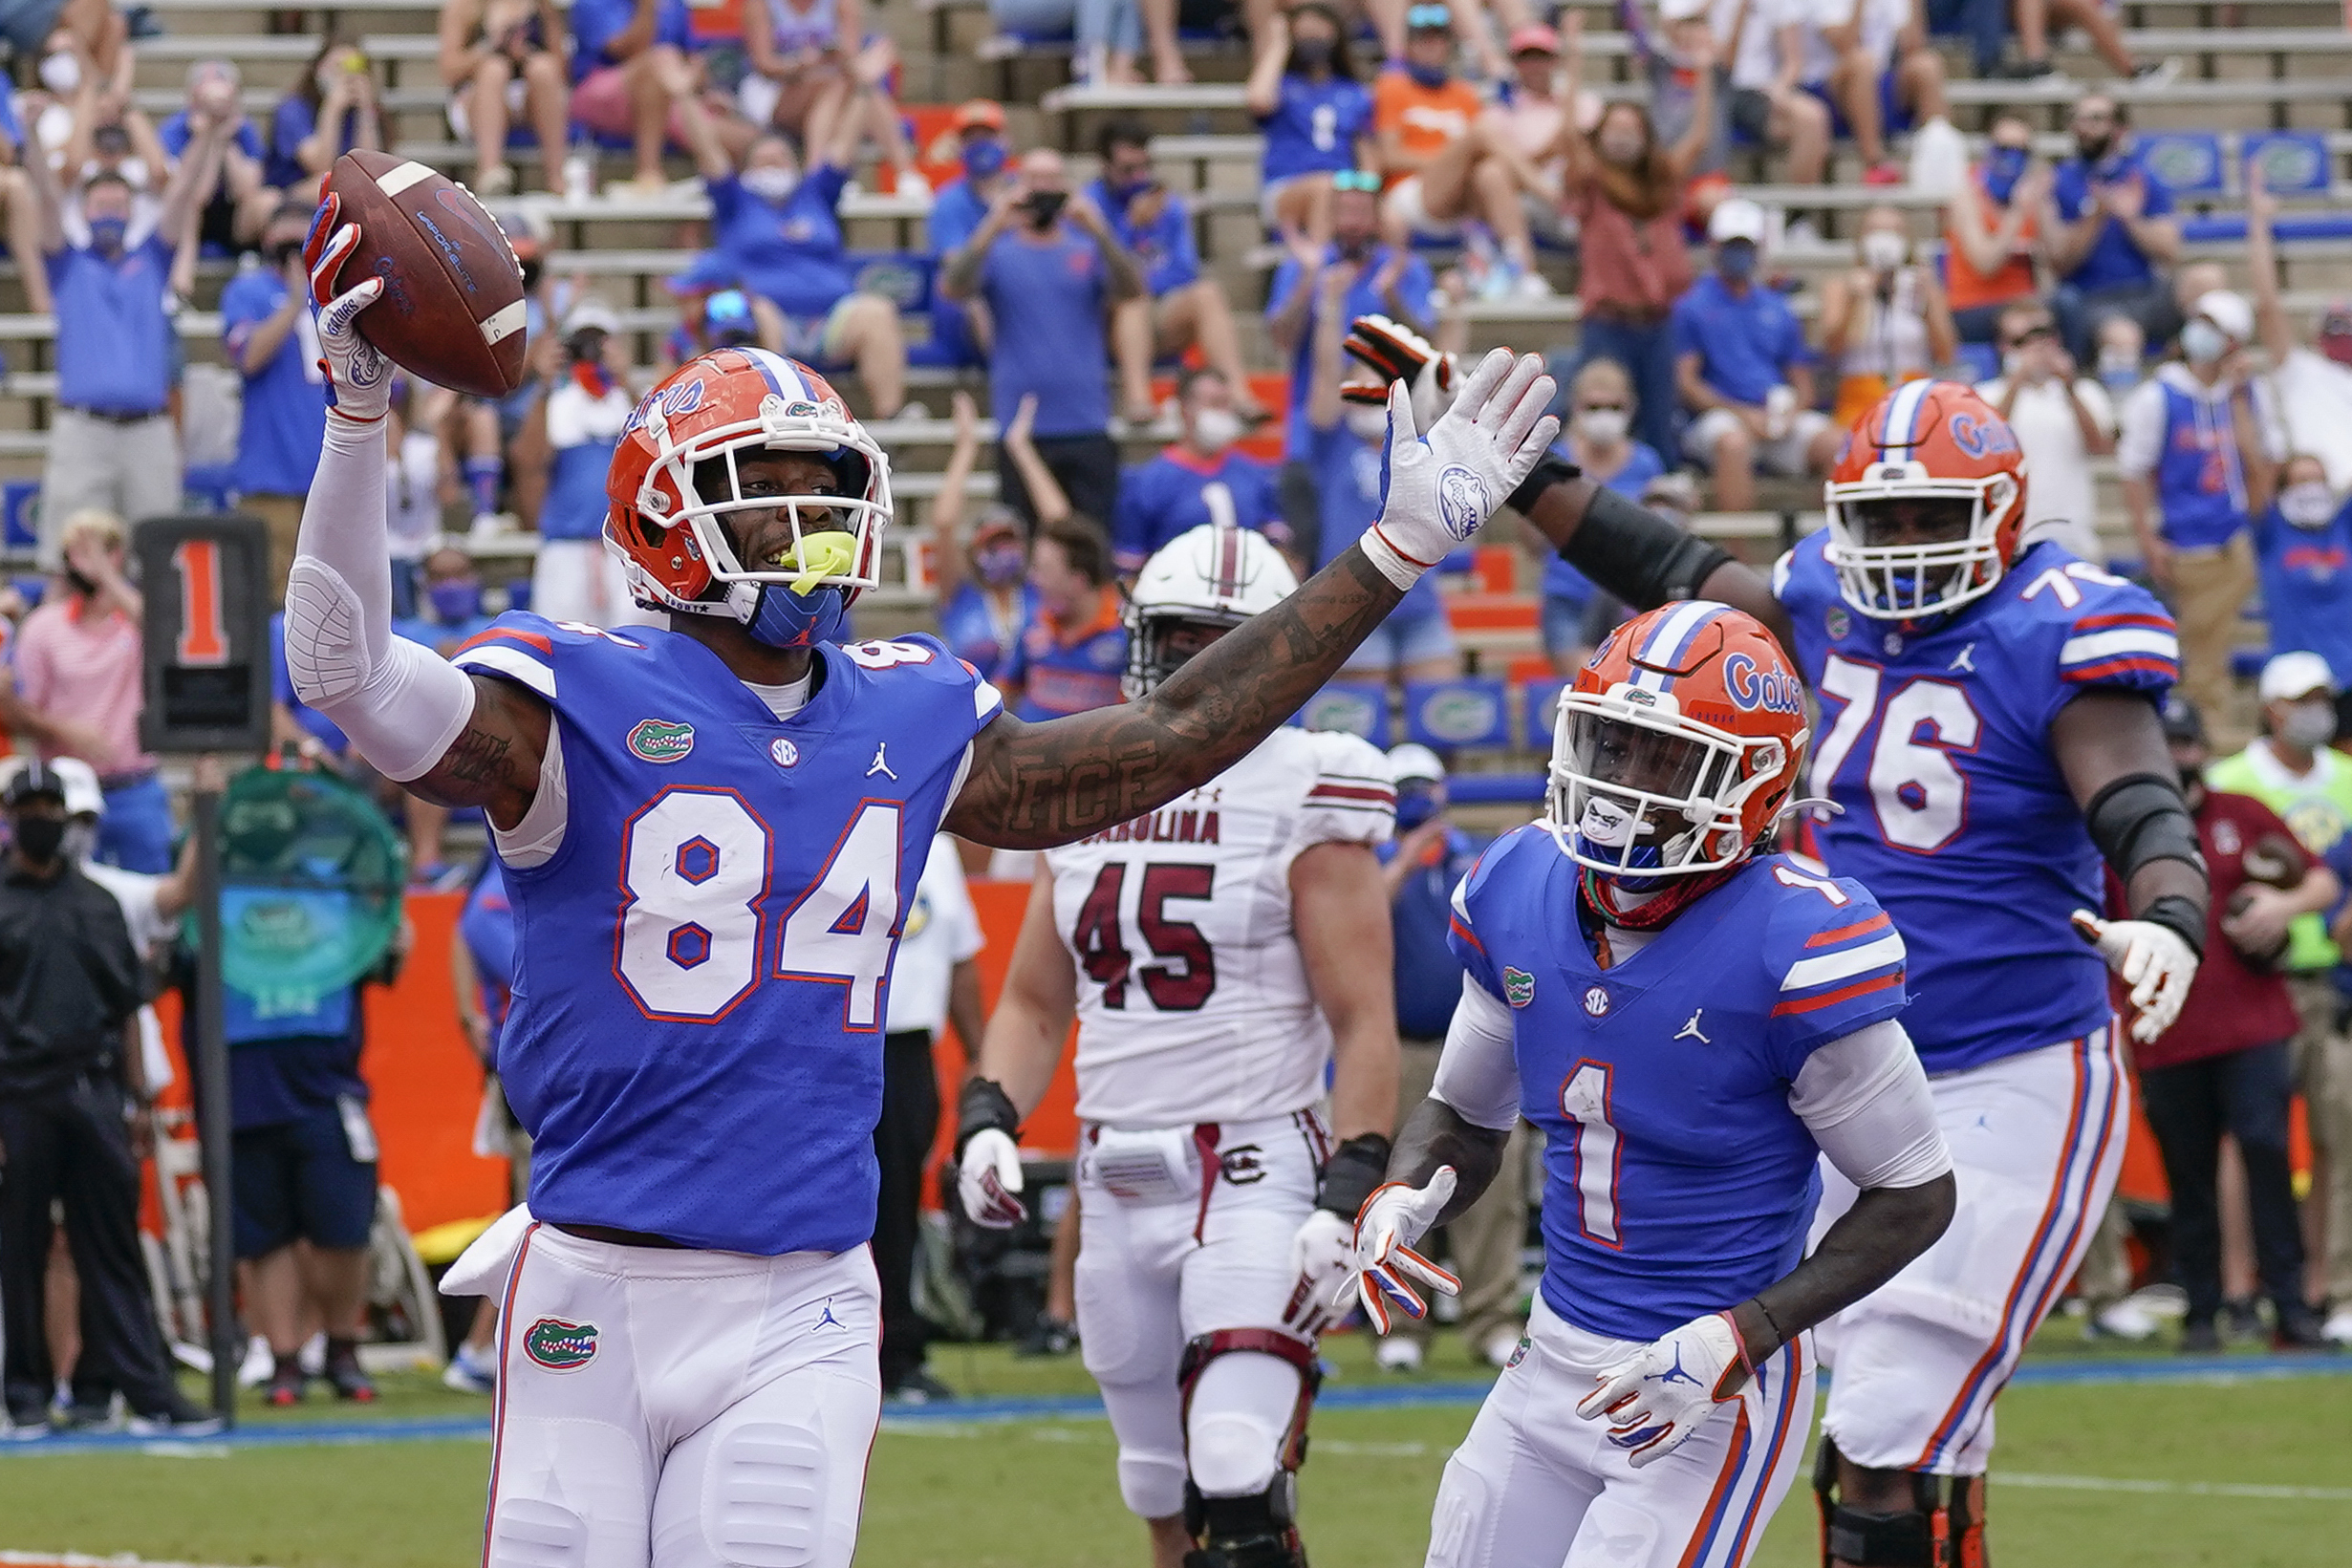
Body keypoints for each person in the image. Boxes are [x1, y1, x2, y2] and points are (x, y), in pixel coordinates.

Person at [293, 194, 1556, 1561]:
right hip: (591, 1273)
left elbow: (1172, 739)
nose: (815, 524)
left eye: (829, 492)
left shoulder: (908, 709)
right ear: (666, 518)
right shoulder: (572, 697)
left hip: (802, 1297)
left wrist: (1393, 553)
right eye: (770, 494)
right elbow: (343, 673)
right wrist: (358, 421)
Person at [1496, 374, 2211, 1567]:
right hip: (1845, 1063)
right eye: (1879, 519)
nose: (1899, 545)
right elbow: (1669, 571)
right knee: (1836, 1411)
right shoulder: (1823, 599)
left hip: (2017, 1060)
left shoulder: (2062, 622)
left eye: (1930, 516)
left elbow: (2136, 794)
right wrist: (1517, 475)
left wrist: (2172, 911)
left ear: (2001, 511)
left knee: (1888, 1417)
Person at [1339, 604, 1955, 1568]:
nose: (1619, 783)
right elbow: (1464, 1114)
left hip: (1701, 1389)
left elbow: (1914, 1191)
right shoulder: (1519, 885)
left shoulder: (1795, 943)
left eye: (1665, 759)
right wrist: (1405, 1190)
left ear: (1754, 781)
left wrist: (1739, 1336)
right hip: (1549, 1359)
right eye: (1611, 745)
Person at [956, 523, 1400, 1568]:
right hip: (1115, 1177)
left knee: (1239, 1476)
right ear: (1144, 640)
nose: (1209, 666)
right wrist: (988, 1116)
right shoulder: (1090, 773)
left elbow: (1361, 1019)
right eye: (1186, 638)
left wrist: (1354, 1181)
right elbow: (1029, 1000)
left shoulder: (1309, 783)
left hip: (1251, 1167)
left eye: (1231, 641)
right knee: (1159, 1493)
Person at [0, 762, 219, 1438]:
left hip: (95, 1086)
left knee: (113, 1243)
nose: (41, 815)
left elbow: (127, 1009)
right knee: (22, 1246)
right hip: (18, 1090)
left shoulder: (96, 901)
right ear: (11, 815)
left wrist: (140, 1103)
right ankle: (28, 1393)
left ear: (66, 815)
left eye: (50, 804)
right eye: (29, 804)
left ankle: (135, 1387)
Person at [2147, 696, 2337, 1351]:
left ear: (2199, 749)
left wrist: (2278, 908)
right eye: (2163, 745)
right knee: (2189, 1170)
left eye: (2183, 744)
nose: (2176, 757)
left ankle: (2289, 1304)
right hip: (2170, 1024)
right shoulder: (2133, 830)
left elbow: (2315, 880)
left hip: (2253, 1015)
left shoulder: (2239, 812)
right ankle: (2202, 1308)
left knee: (2265, 1148)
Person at [2205, 652, 2352, 1347]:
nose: (2317, 709)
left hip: (2325, 979)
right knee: (2249, 1138)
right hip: (2250, 981)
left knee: (2333, 1137)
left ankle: (2320, 1286)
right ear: (2270, 707)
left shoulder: (2347, 777)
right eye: (2303, 698)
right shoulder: (2230, 779)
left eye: (2323, 697)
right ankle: (2241, 1284)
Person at [1371, 742, 1524, 1375]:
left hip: (1476, 1043)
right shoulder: (1371, 857)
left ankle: (1491, 1317)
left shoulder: (1473, 854)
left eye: (1421, 787)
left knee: (1494, 1187)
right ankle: (1400, 1323)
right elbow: (1357, 922)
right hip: (1399, 1046)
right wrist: (1404, 860)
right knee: (1398, 1184)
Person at [26, 102, 219, 566]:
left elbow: (182, 194)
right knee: (65, 560)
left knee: (158, 561)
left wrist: (208, 133)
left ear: (133, 213)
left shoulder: (152, 258)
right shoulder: (67, 262)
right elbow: (49, 199)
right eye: (100, 204)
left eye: (118, 204)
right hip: (83, 427)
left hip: (148, 432)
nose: (109, 211)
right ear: (85, 211)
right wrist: (31, 134)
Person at [673, 61, 906, 419]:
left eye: (779, 159)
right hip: (767, 319)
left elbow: (843, 145)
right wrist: (685, 95)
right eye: (761, 162)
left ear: (795, 166)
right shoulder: (735, 201)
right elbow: (707, 149)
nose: (771, 165)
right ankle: (778, 416)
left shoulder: (816, 195)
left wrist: (862, 89)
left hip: (831, 319)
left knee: (877, 313)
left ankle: (893, 423)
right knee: (755, 311)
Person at [939, 147, 1146, 528]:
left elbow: (1133, 290)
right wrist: (993, 224)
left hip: (1086, 422)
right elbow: (953, 288)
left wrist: (1100, 230)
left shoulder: (1086, 248)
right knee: (1028, 543)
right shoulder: (999, 252)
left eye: (1052, 180)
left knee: (1092, 542)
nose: (1043, 190)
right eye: (1033, 180)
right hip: (1021, 429)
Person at [2116, 289, 2283, 726]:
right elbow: (2134, 468)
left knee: (2215, 649)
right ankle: (2214, 732)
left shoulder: (2246, 394)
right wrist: (2147, 537)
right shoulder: (2161, 395)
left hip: (2236, 537)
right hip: (2188, 542)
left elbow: (2260, 463)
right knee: (2203, 653)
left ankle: (2218, 727)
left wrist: (2242, 399)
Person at [1558, 17, 1710, 456]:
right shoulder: (1592, 182)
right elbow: (1569, 136)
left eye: (1632, 129)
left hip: (1658, 322)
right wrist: (1573, 59)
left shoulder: (1662, 186)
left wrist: (1701, 72)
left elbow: (1698, 138)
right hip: (1608, 322)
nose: (1623, 138)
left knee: (1661, 423)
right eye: (1614, 129)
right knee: (1600, 421)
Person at [1305, 267, 1457, 687]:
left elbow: (1446, 382)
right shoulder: (1332, 440)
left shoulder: (1418, 435)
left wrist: (1455, 310)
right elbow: (1322, 373)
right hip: (1350, 602)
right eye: (1362, 377)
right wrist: (1331, 304)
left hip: (1418, 601)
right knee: (1361, 724)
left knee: (1443, 716)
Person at [874, 833, 986, 1404]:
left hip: (907, 1048)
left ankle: (897, 1351)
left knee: (899, 1208)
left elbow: (961, 957)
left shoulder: (937, 853)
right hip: (826, 1042)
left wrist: (983, 1056)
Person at [1265, 171, 1433, 542]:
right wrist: (1309, 281)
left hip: (1381, 429)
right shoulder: (1303, 264)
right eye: (1343, 212)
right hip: (1314, 427)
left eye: (1362, 213)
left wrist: (1391, 296)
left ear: (1376, 219)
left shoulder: (1403, 268)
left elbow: (1427, 344)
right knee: (1316, 539)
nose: (1352, 223)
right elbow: (1281, 338)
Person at [11, 511, 172, 873]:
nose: (80, 562)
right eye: (73, 552)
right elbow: (21, 711)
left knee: (152, 890)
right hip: (69, 791)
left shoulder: (135, 621)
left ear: (116, 554)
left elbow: (166, 633)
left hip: (136, 787)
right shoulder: (43, 628)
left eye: (93, 550)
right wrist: (65, 731)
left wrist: (107, 574)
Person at [1091, 118, 1266, 426]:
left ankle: (1239, 395)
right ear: (1105, 166)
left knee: (1206, 293)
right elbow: (1092, 276)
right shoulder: (1089, 207)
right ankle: (1138, 401)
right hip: (1108, 322)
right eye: (1127, 169)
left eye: (1144, 167)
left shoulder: (1167, 206)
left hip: (1160, 315)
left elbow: (1186, 271)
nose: (1139, 177)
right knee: (1132, 297)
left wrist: (1149, 284)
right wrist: (1130, 229)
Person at [1673, 197, 1837, 513]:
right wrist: (1742, 413)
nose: (1740, 253)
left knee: (1837, 444)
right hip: (1718, 417)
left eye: (1745, 245)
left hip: (1774, 416)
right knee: (1733, 444)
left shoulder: (1778, 307)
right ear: (1714, 246)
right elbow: (1688, 383)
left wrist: (1790, 414)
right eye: (1732, 244)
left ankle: (1822, 549)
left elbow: (1801, 379)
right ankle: (1737, 556)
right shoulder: (1691, 306)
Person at [224, 202, 329, 603]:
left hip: (334, 479)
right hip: (271, 478)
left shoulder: (340, 292)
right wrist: (293, 302)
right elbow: (248, 357)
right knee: (273, 599)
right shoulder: (249, 291)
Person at [1539, 358, 1664, 676]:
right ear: (1576, 406)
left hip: (1628, 603)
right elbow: (1531, 538)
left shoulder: (1647, 462)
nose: (1604, 415)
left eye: (1613, 406)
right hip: (1568, 599)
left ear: (1630, 407)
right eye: (1593, 407)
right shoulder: (1556, 460)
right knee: (1587, 684)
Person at [527, 297, 642, 627]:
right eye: (584, 342)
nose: (592, 352)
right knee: (562, 643)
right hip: (568, 548)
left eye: (601, 343)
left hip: (626, 550)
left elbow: (659, 451)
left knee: (632, 641)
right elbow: (530, 463)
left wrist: (627, 380)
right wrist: (544, 384)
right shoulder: (556, 403)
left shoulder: (635, 402)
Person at [1112, 369, 1287, 577]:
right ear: (1185, 409)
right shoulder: (1148, 482)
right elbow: (1129, 568)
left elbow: (1280, 550)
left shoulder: (1255, 475)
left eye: (1226, 404)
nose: (1222, 413)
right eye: (1214, 404)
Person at [2047, 95, 2182, 364]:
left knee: (2207, 282)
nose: (2083, 127)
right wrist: (2095, 216)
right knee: (2123, 337)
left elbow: (2171, 252)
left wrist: (2131, 219)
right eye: (2078, 118)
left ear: (2120, 129)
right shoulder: (2057, 181)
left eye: (2095, 119)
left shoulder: (2142, 178)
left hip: (2145, 290)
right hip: (2091, 299)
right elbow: (2059, 262)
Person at [1977, 300, 2115, 563]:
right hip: (2009, 546)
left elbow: (2100, 448)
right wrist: (2016, 382)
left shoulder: (2085, 392)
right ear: (2003, 347)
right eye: (2021, 341)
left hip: (2076, 542)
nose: (2035, 348)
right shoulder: (1985, 394)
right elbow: (1986, 448)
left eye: (2043, 336)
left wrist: (2069, 386)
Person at [2246, 170, 2352, 493]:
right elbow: (2267, 305)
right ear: (2317, 335)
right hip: (2308, 496)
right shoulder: (2301, 369)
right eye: (2335, 326)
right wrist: (2259, 223)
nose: (2343, 334)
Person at [1244, 4, 1374, 247]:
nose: (1312, 42)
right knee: (1326, 188)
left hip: (1343, 188)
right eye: (1304, 36)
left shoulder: (1353, 92)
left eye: (1318, 35)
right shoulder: (1282, 86)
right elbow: (1257, 100)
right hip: (1286, 187)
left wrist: (1366, 193)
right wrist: (1279, 45)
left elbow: (1367, 156)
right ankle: (1320, 272)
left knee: (1374, 206)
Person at [930, 390, 1039, 675]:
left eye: (1009, 542)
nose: (1003, 552)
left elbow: (1063, 525)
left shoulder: (1039, 593)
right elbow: (943, 523)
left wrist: (1021, 449)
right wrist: (967, 448)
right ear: (975, 551)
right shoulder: (959, 596)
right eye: (993, 543)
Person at [1819, 204, 1956, 429]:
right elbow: (1831, 350)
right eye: (1875, 231)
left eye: (1894, 231)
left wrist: (1926, 306)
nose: (1885, 239)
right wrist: (1853, 301)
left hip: (1914, 396)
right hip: (1859, 397)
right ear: (1861, 239)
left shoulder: (1924, 286)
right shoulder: (1841, 286)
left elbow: (1946, 354)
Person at [1001, 514, 1128, 721]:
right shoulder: (1034, 623)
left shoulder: (1128, 630)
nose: (1033, 579)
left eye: (1044, 570)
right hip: (1032, 750)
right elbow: (1004, 691)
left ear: (1079, 579)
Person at [1373, 6, 1482, 247]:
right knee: (1482, 134)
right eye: (1423, 39)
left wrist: (1455, 164)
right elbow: (1390, 156)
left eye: (1438, 38)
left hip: (1457, 191)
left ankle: (1518, 263)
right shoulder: (1392, 86)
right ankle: (1547, 193)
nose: (1431, 45)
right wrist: (1452, 161)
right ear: (1409, 46)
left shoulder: (1466, 94)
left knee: (1492, 175)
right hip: (1409, 190)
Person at [440, 0, 570, 197]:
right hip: (477, 97)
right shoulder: (464, 7)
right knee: (494, 69)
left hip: (527, 98)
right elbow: (449, 71)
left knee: (543, 68)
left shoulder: (542, 7)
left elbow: (561, 69)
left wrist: (525, 55)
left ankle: (556, 176)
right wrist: (490, 48)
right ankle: (490, 171)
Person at [1942, 114, 2049, 347]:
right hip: (1974, 306)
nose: (2011, 158)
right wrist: (2016, 214)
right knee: (2023, 325)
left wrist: (2044, 207)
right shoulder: (1967, 195)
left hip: (2025, 301)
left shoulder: (2034, 192)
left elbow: (2050, 270)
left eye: (2021, 150)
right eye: (2003, 148)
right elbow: (1985, 264)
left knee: (2064, 306)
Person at [1819, 0, 1950, 188]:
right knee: (1862, 63)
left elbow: (1913, 46)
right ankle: (1874, 163)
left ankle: (1940, 159)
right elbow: (1845, 45)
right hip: (1831, 89)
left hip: (1881, 81)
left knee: (1927, 65)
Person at [568, 0, 695, 195]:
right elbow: (630, 50)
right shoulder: (593, 3)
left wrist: (694, 86)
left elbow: (690, 56)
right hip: (597, 89)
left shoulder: (675, 4)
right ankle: (648, 172)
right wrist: (647, 6)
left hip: (669, 93)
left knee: (737, 139)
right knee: (658, 63)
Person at [922, 100, 1011, 371]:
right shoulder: (948, 201)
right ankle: (1009, 379)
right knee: (977, 300)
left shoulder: (1023, 191)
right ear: (959, 148)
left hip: (1017, 290)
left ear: (1005, 142)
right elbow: (957, 269)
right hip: (964, 309)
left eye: (988, 137)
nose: (980, 146)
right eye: (971, 140)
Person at [2252, 454, 2352, 689]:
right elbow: (2254, 472)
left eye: (2319, 480)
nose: (2312, 488)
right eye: (2303, 480)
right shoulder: (2271, 530)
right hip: (2296, 675)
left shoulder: (2343, 527)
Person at [1712, 0, 1830, 191]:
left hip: (1760, 91)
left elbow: (1794, 61)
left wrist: (1780, 89)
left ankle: (1800, 215)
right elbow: (1722, 64)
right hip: (1713, 88)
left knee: (1812, 118)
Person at [270, 35, 383, 204]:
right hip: (292, 194)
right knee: (329, 186)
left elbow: (370, 167)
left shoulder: (364, 111)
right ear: (318, 69)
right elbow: (319, 165)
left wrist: (365, 110)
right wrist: (332, 109)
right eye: (336, 67)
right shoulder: (294, 108)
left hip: (347, 195)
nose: (344, 77)